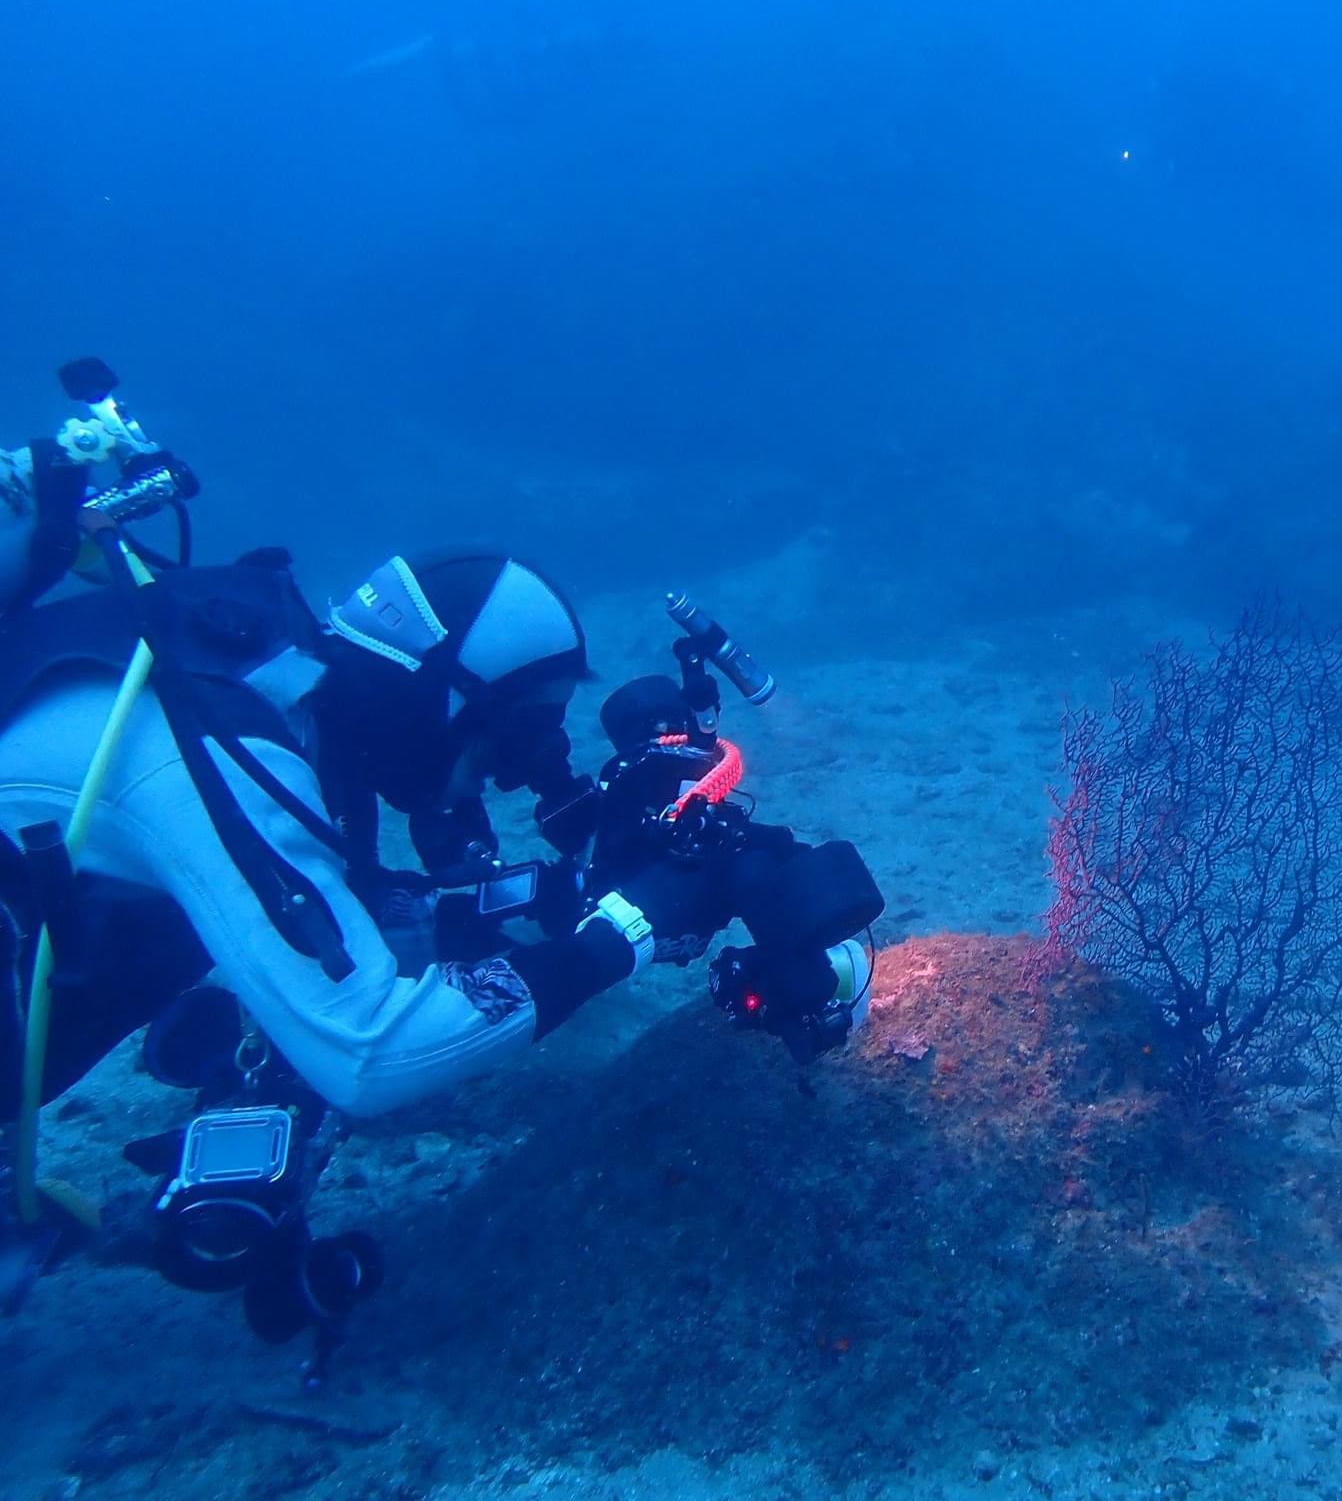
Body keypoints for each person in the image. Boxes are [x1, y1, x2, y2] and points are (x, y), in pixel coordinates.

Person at [0, 369, 884, 1352]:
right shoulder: (213, 761)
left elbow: (364, 915)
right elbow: (369, 1050)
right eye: (503, 745)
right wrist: (623, 928)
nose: (502, 785)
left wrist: (556, 895)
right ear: (442, 703)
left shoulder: (263, 682)